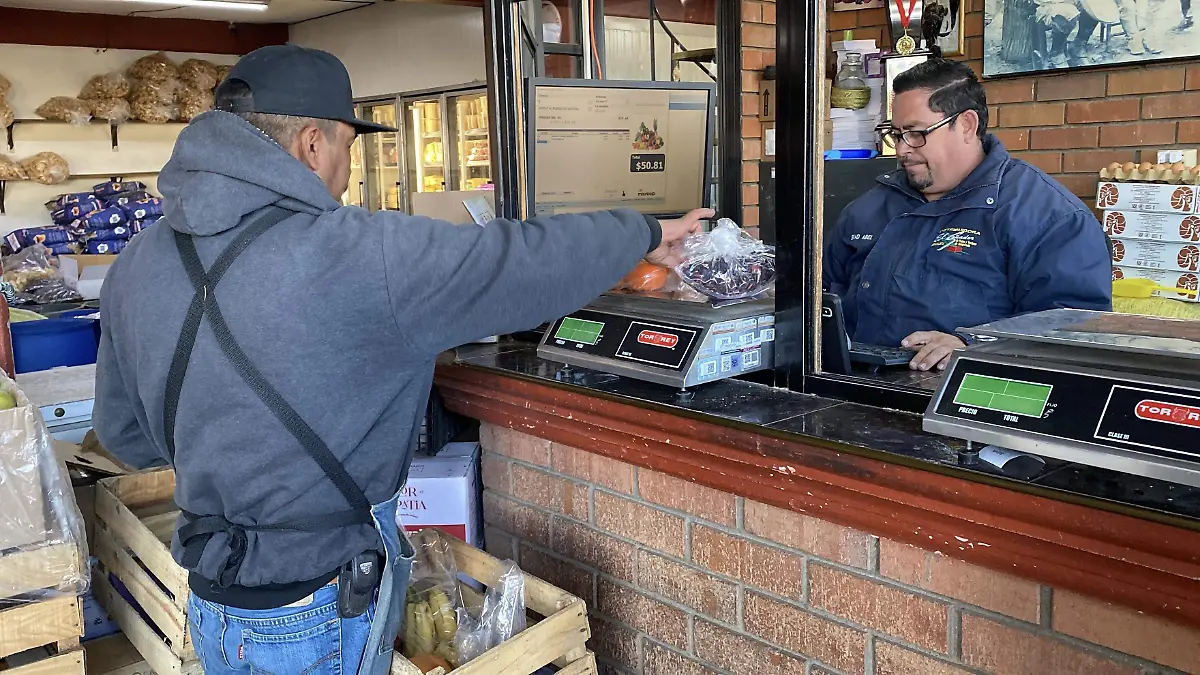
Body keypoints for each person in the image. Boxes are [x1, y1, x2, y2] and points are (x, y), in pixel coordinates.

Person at [93, 44, 712, 675]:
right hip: (322, 601)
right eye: (346, 150)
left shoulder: (136, 264)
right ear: (312, 143)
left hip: (211, 593)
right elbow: (517, 260)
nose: (345, 172)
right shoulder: (358, 253)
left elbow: (126, 436)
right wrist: (643, 233)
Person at [823, 58, 1111, 372]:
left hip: (963, 398)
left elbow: (1074, 327)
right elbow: (822, 293)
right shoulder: (869, 208)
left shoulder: (1048, 217)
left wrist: (975, 345)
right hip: (847, 388)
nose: (903, 150)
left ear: (967, 125)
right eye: (897, 134)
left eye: (916, 134)